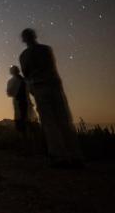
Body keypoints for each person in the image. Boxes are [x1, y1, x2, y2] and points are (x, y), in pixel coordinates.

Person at [19, 28, 83, 168]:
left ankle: (59, 157)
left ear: (24, 39)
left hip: (40, 88)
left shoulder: (24, 55)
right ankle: (75, 155)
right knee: (64, 120)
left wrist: (32, 89)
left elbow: (26, 73)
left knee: (49, 122)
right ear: (35, 36)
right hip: (54, 86)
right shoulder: (46, 49)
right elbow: (52, 67)